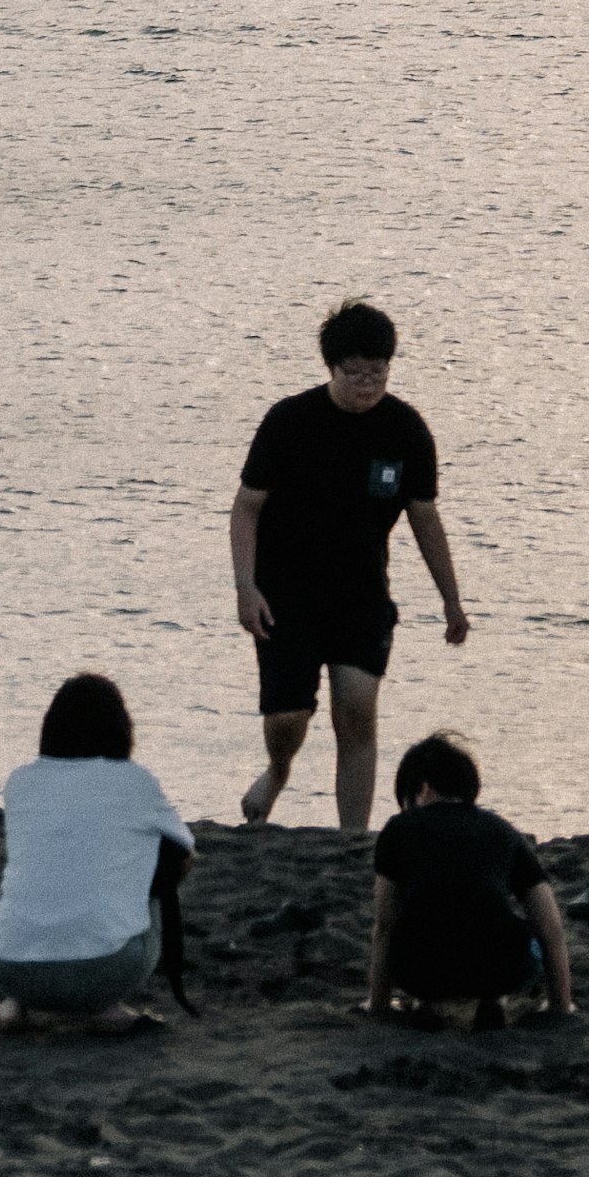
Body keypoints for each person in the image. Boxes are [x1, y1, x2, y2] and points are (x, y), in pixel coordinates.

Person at [232, 297, 468, 832]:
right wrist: (246, 587)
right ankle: (278, 770)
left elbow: (424, 518)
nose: (367, 382)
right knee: (288, 717)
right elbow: (246, 507)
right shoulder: (290, 421)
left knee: (357, 713)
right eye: (355, 372)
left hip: (361, 595)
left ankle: (352, 839)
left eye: (378, 371)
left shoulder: (406, 430)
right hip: (285, 593)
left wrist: (452, 600)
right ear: (331, 369)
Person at [0, 672, 193, 1031]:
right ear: (122, 730)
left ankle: (14, 1005)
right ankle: (104, 1008)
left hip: (9, 968)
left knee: (17, 879)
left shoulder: (20, 781)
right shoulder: (136, 781)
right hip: (106, 970)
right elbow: (186, 853)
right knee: (155, 873)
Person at [368, 733, 572, 1031]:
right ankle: (495, 1000)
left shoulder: (399, 829)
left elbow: (385, 923)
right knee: (523, 938)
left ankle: (428, 1002)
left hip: (420, 971)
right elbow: (550, 925)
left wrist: (378, 1005)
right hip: (498, 969)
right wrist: (560, 1006)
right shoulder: (503, 831)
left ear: (423, 789)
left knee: (411, 932)